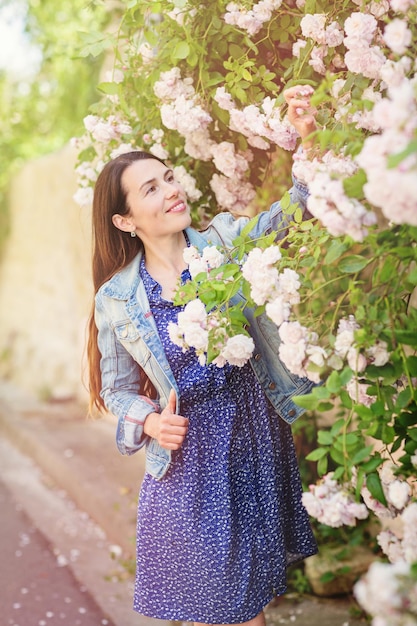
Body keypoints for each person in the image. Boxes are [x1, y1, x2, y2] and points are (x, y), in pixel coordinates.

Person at [87, 85, 318, 626]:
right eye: (151, 188)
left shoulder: (224, 245)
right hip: (187, 460)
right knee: (208, 607)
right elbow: (117, 389)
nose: (172, 189)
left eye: (169, 176)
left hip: (252, 440)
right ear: (125, 220)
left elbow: (291, 214)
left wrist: (308, 142)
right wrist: (148, 421)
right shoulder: (116, 298)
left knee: (241, 608)